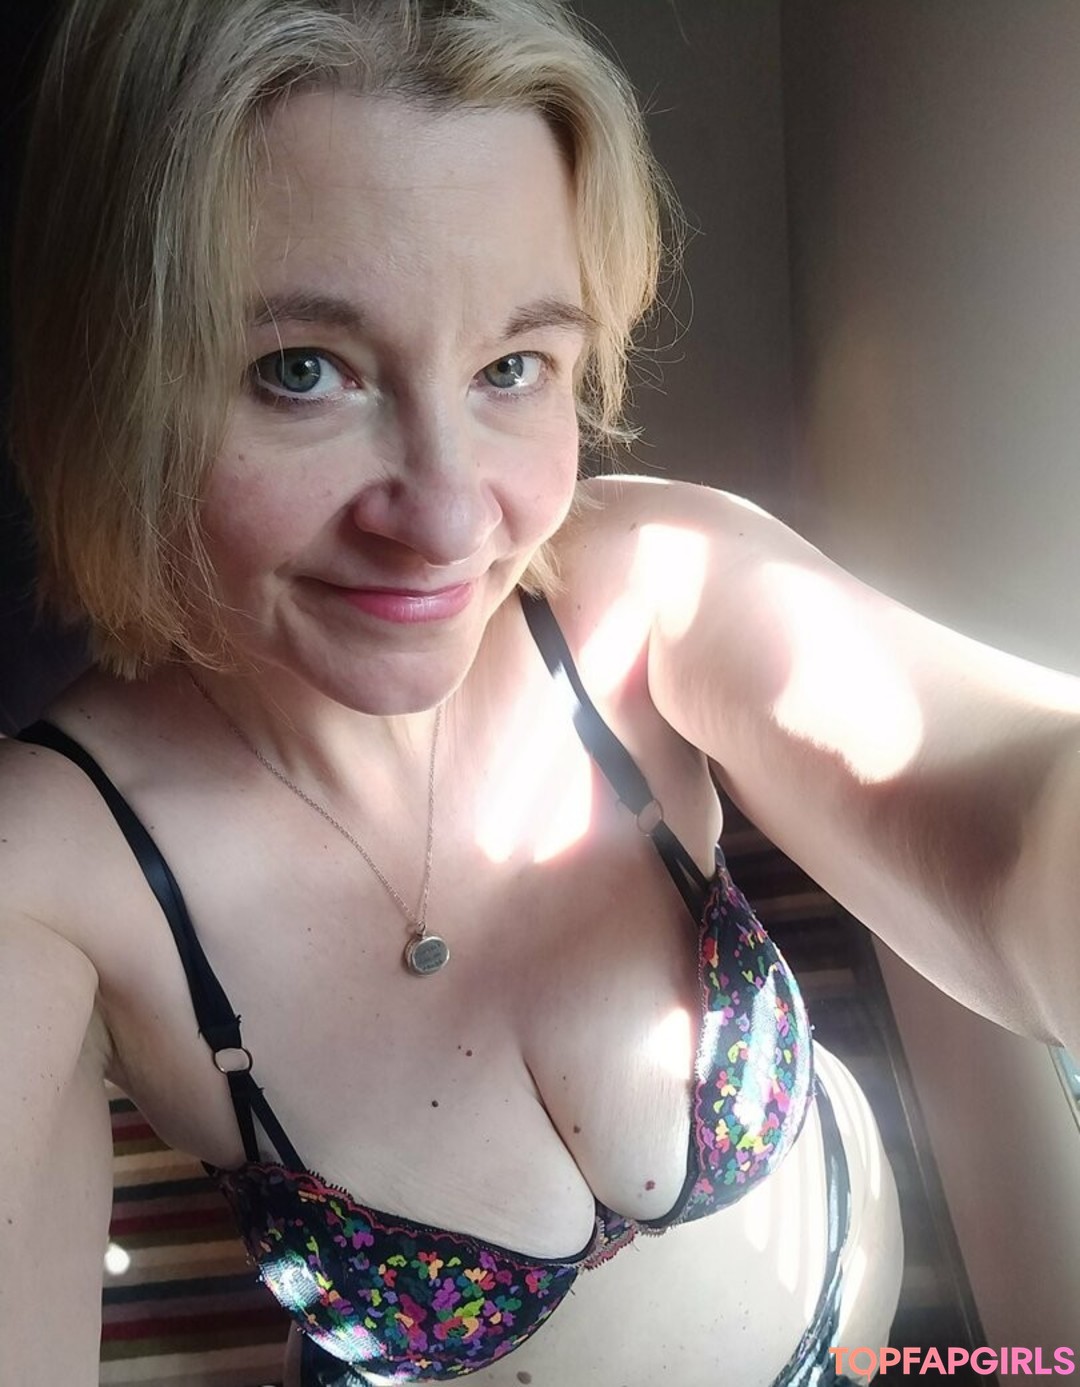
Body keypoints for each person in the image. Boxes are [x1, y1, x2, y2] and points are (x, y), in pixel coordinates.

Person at [1, 1, 1076, 1384]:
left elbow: (1013, 829)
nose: (454, 520)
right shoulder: (49, 870)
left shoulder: (649, 585)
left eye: (512, 366)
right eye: (299, 372)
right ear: (115, 384)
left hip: (852, 1319)